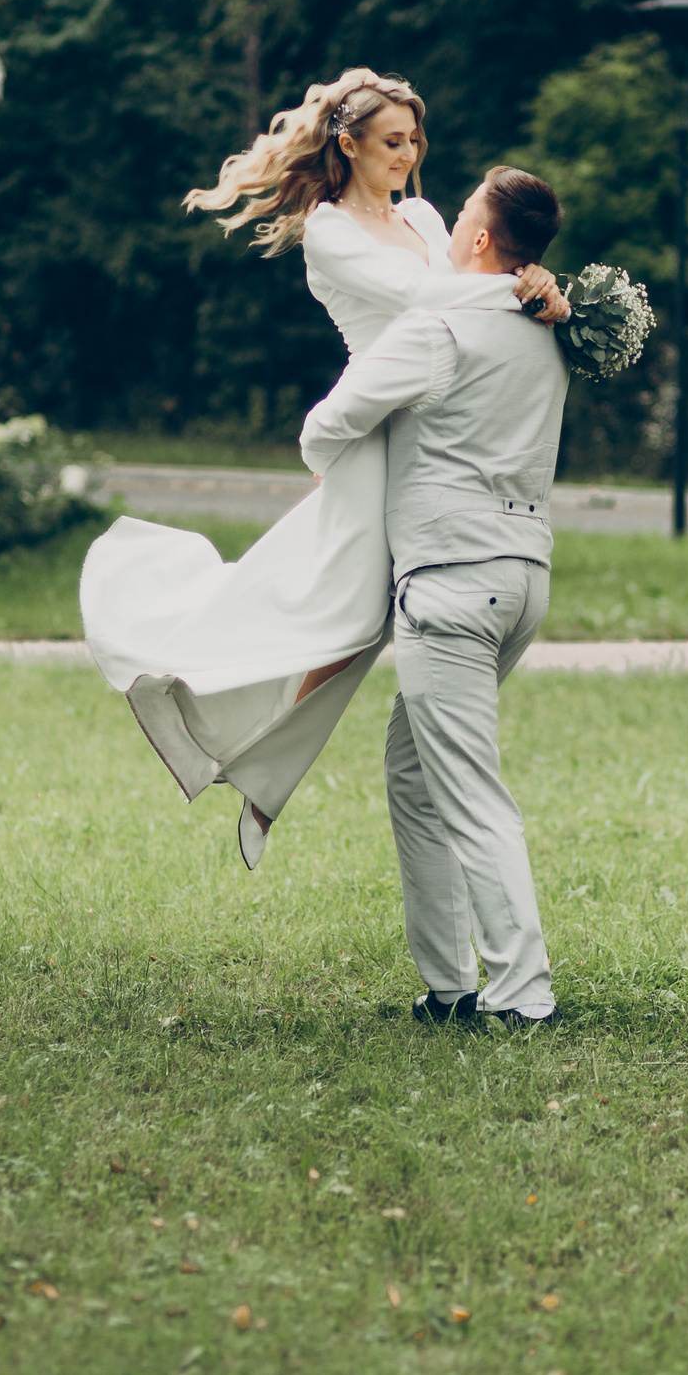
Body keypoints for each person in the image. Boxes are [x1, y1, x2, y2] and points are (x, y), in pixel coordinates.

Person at [80, 70, 566, 867]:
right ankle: (223, 728)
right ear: (348, 144)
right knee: (339, 624)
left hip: (427, 435)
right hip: (369, 430)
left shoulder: (419, 213)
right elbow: (429, 302)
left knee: (352, 627)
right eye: (392, 143)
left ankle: (263, 774)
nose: (408, 157)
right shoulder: (330, 229)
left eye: (414, 141)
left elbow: (465, 288)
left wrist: (530, 279)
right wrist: (517, 285)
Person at [298, 166, 569, 1029]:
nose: (445, 226)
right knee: (415, 775)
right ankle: (448, 985)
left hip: (451, 584)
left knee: (470, 791)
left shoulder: (438, 326)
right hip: (523, 577)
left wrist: (350, 480)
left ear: (484, 239)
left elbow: (327, 423)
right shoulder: (551, 327)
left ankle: (524, 995)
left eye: (460, 217)